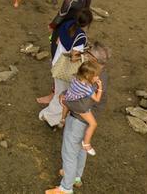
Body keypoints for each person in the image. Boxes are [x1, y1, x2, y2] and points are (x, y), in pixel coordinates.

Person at [47, 42, 110, 194]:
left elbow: (82, 106)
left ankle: (65, 188)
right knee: (81, 148)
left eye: (89, 53)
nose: (86, 54)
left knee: (69, 152)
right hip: (90, 118)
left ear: (94, 58)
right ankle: (75, 176)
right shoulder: (102, 74)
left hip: (79, 120)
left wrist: (65, 100)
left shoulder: (92, 78)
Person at [39, 9, 93, 126]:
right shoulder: (81, 36)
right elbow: (74, 58)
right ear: (88, 23)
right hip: (67, 71)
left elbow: (58, 41)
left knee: (59, 92)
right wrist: (85, 54)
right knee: (63, 96)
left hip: (58, 63)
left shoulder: (66, 25)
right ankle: (50, 118)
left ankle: (50, 115)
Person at [60, 59, 104, 156]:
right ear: (88, 76)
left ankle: (62, 119)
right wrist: (100, 87)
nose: (98, 77)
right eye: (96, 75)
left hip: (68, 99)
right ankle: (86, 143)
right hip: (78, 106)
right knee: (93, 124)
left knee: (65, 104)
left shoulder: (75, 78)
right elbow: (97, 99)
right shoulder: (86, 88)